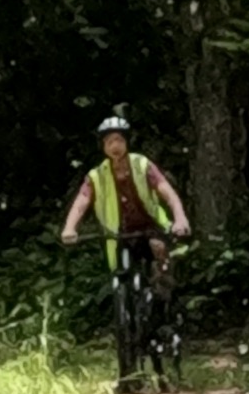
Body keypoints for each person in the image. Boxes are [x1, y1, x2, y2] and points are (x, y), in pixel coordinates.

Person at [58, 117, 192, 344]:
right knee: (121, 279)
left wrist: (179, 218)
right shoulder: (97, 175)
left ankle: (163, 319)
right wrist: (70, 228)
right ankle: (127, 327)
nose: (115, 146)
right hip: (119, 235)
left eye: (119, 140)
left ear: (127, 142)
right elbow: (82, 200)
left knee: (160, 268)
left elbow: (166, 192)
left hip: (150, 230)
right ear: (103, 146)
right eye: (109, 141)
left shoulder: (141, 165)